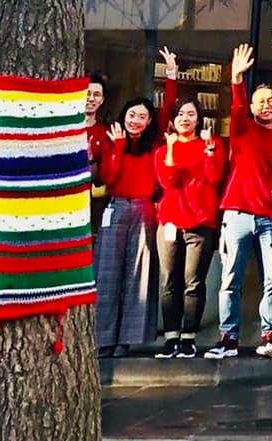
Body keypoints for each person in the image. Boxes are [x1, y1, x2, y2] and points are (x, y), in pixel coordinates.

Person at [207, 44, 272, 359]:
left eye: (271, 101)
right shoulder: (242, 128)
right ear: (252, 106)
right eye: (260, 101)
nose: (266, 105)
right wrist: (237, 79)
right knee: (230, 279)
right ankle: (228, 337)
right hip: (237, 214)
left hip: (271, 216)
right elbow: (238, 105)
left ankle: (269, 335)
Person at [153, 96, 225, 358]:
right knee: (169, 281)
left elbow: (214, 177)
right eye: (181, 114)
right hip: (171, 222)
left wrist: (208, 149)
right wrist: (172, 148)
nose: (185, 118)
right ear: (173, 119)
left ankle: (189, 336)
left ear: (199, 118)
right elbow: (168, 181)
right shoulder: (163, 150)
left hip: (201, 222)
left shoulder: (212, 144)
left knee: (193, 282)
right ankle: (171, 336)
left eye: (191, 114)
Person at [95, 97, 160, 356]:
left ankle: (126, 339)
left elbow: (169, 112)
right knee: (107, 272)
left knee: (138, 272)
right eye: (132, 115)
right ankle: (104, 338)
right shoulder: (113, 139)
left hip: (144, 208)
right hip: (116, 205)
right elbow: (108, 177)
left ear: (149, 121)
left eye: (142, 116)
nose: (135, 121)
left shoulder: (154, 146)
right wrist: (119, 147)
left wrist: (170, 74)